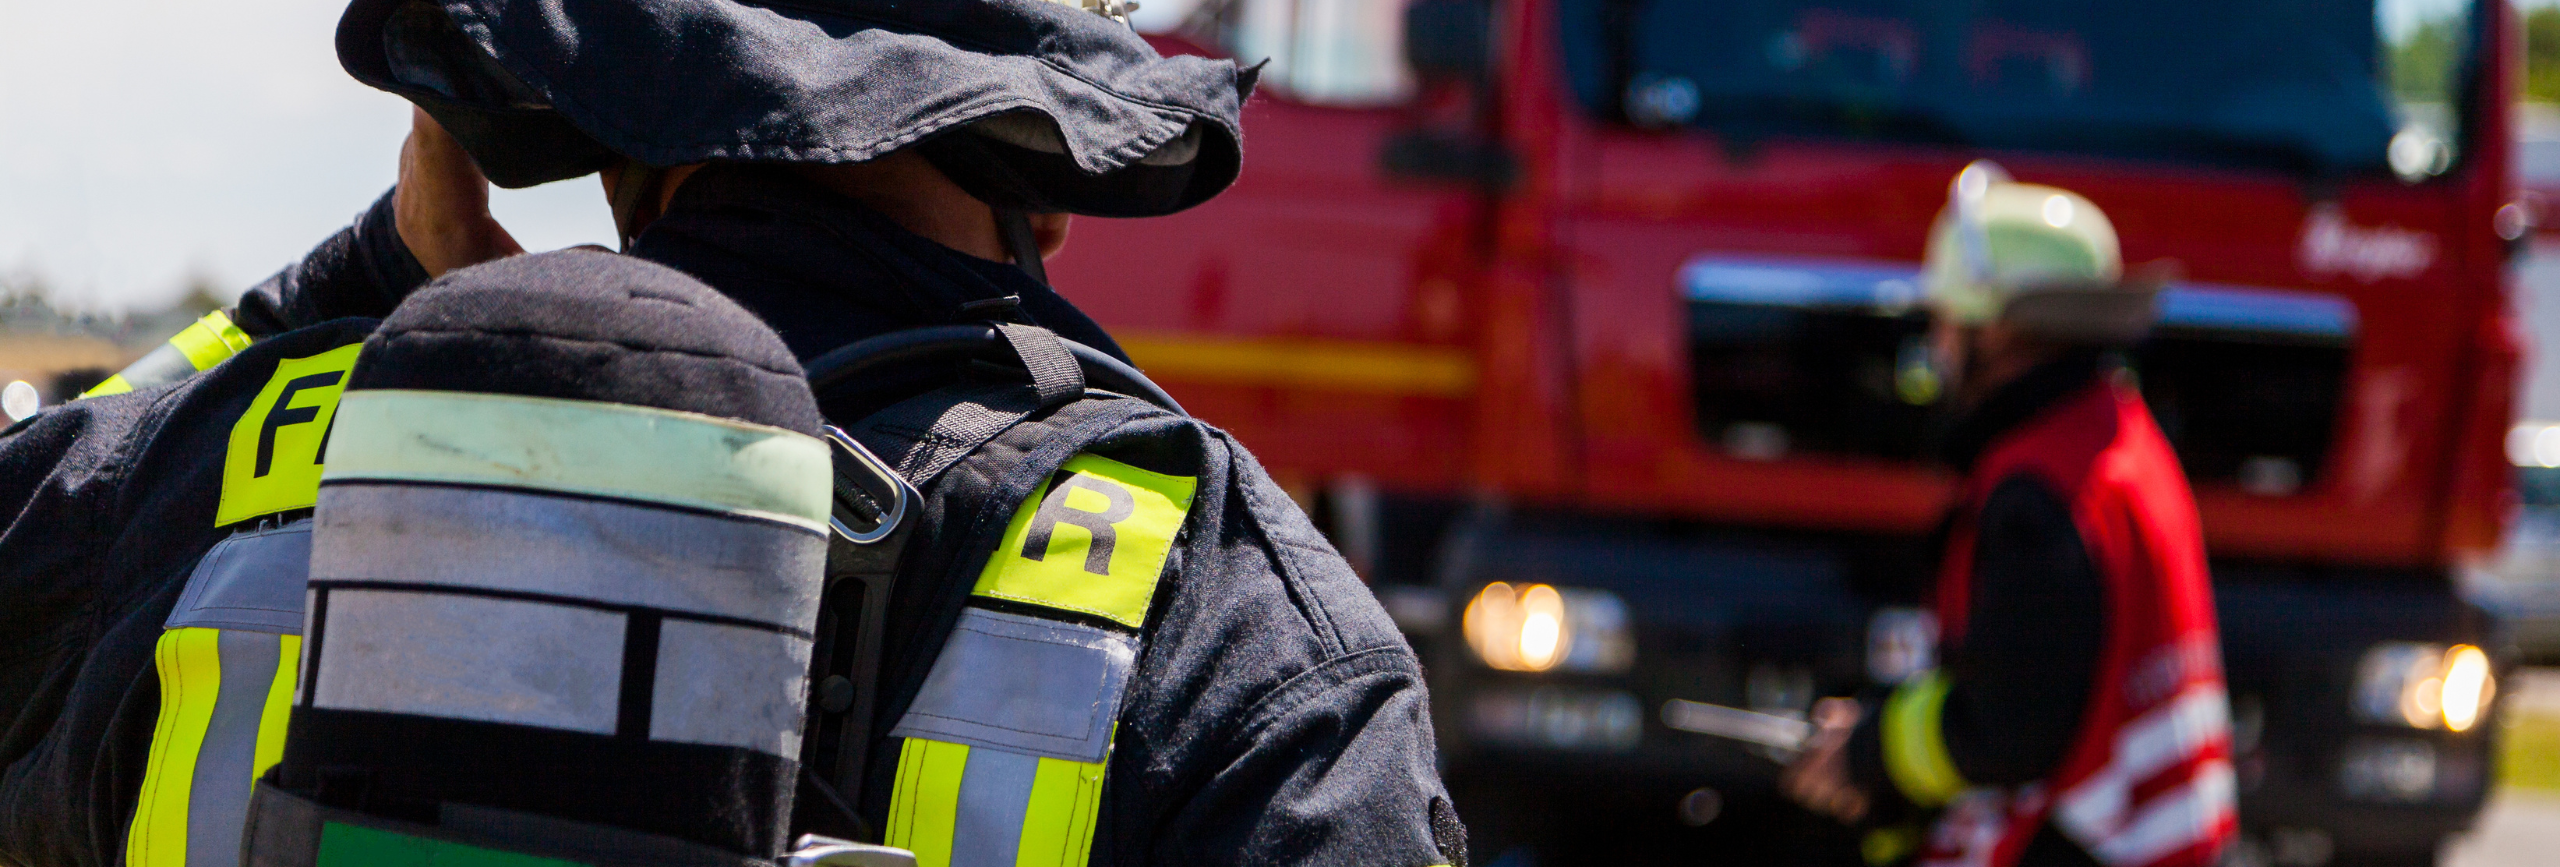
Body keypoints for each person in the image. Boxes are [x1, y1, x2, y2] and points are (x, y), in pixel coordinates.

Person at [0, 2, 1469, 866]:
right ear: (1056, 182)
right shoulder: (1216, 608)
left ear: (614, 135)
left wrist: (343, 292)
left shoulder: (243, 458)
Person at [1780, 163, 2235, 867]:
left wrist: (1870, 752)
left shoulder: (2040, 491)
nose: (1935, 344)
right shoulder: (2115, 437)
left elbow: (2009, 727)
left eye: (1945, 321)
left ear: (1995, 333)